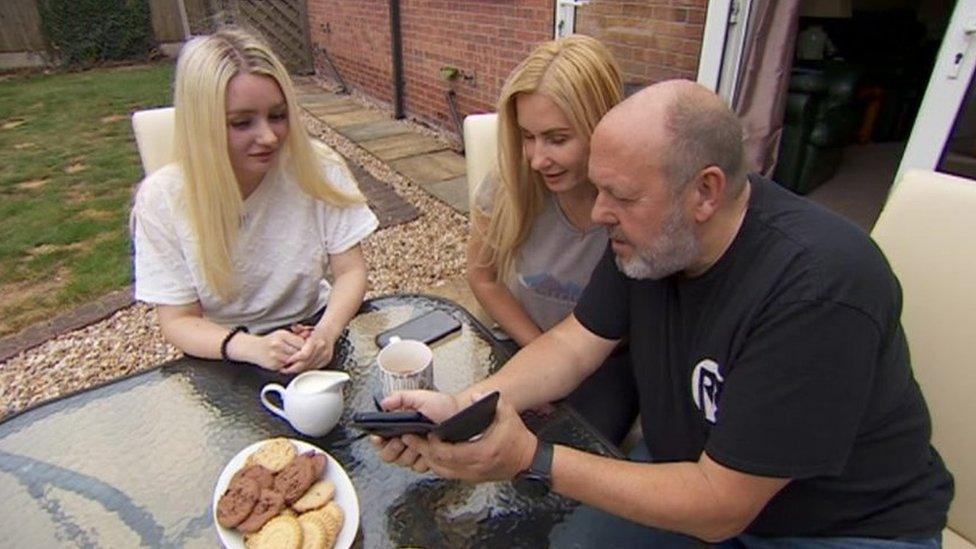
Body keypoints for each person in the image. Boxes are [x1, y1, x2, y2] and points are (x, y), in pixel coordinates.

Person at [375, 80, 954, 546]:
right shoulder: (652, 241)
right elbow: (575, 344)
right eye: (600, 189)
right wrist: (467, 405)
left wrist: (530, 456)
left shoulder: (819, 288)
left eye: (622, 196)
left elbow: (719, 508)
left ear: (705, 192)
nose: (600, 213)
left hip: (839, 528)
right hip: (689, 473)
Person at [132, 27, 378, 374]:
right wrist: (252, 348)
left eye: (277, 116)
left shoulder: (317, 167)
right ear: (202, 125)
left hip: (314, 329)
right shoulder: (162, 199)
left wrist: (326, 333)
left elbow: (350, 270)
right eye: (242, 122)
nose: (268, 137)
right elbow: (177, 320)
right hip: (223, 349)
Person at [467, 35, 637, 443]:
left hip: (606, 362)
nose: (537, 158)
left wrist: (567, 371)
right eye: (528, 136)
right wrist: (540, 356)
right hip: (520, 340)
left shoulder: (637, 202)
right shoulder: (510, 185)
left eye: (558, 139)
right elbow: (483, 277)